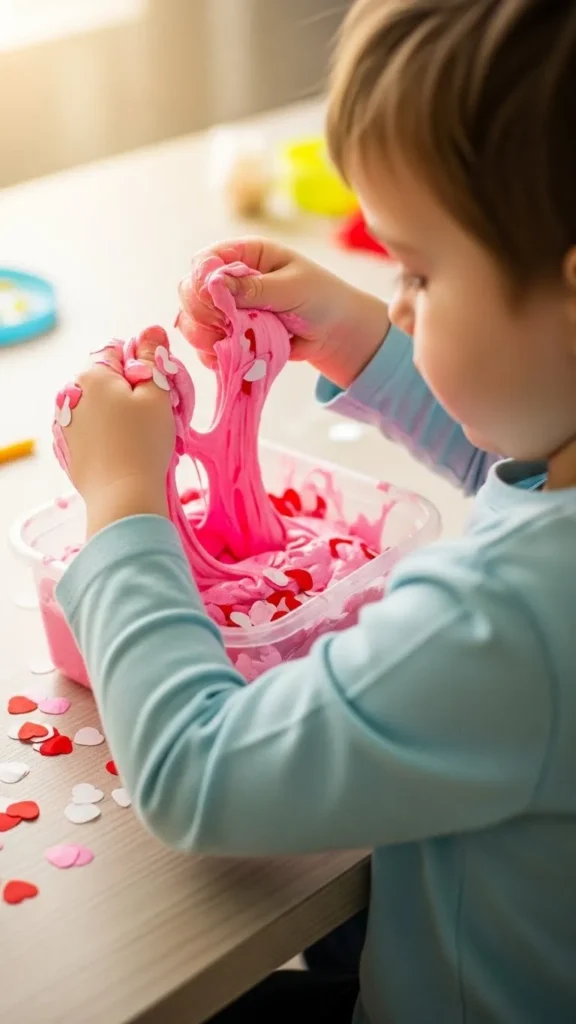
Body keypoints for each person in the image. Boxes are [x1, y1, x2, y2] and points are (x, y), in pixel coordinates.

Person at [55, 0, 576, 1021]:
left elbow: (197, 773)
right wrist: (358, 338)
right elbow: (521, 460)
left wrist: (122, 505)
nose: (401, 300)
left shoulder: (513, 622)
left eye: (418, 270)